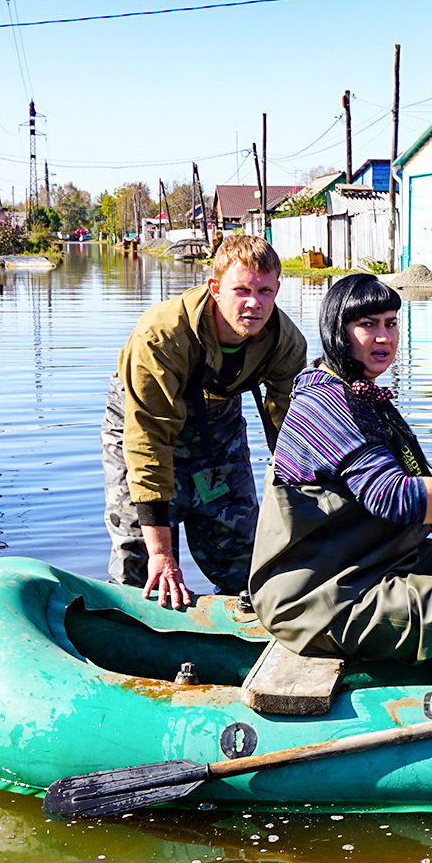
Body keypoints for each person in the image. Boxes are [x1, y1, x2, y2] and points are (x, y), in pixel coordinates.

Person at [249, 274, 432, 685]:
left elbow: (374, 492)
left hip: (365, 561)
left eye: (391, 323)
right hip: (318, 594)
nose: (384, 337)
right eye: (368, 325)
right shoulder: (326, 402)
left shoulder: (359, 393)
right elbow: (395, 497)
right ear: (339, 332)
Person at [102, 235, 307, 608]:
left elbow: (290, 431)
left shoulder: (285, 342)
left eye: (264, 291)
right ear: (214, 288)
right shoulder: (161, 336)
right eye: (241, 289)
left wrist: (304, 520)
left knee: (246, 562)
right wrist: (162, 554)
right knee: (140, 563)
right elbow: (147, 439)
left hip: (219, 425)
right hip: (143, 424)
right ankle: (136, 632)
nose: (253, 303)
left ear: (277, 289)